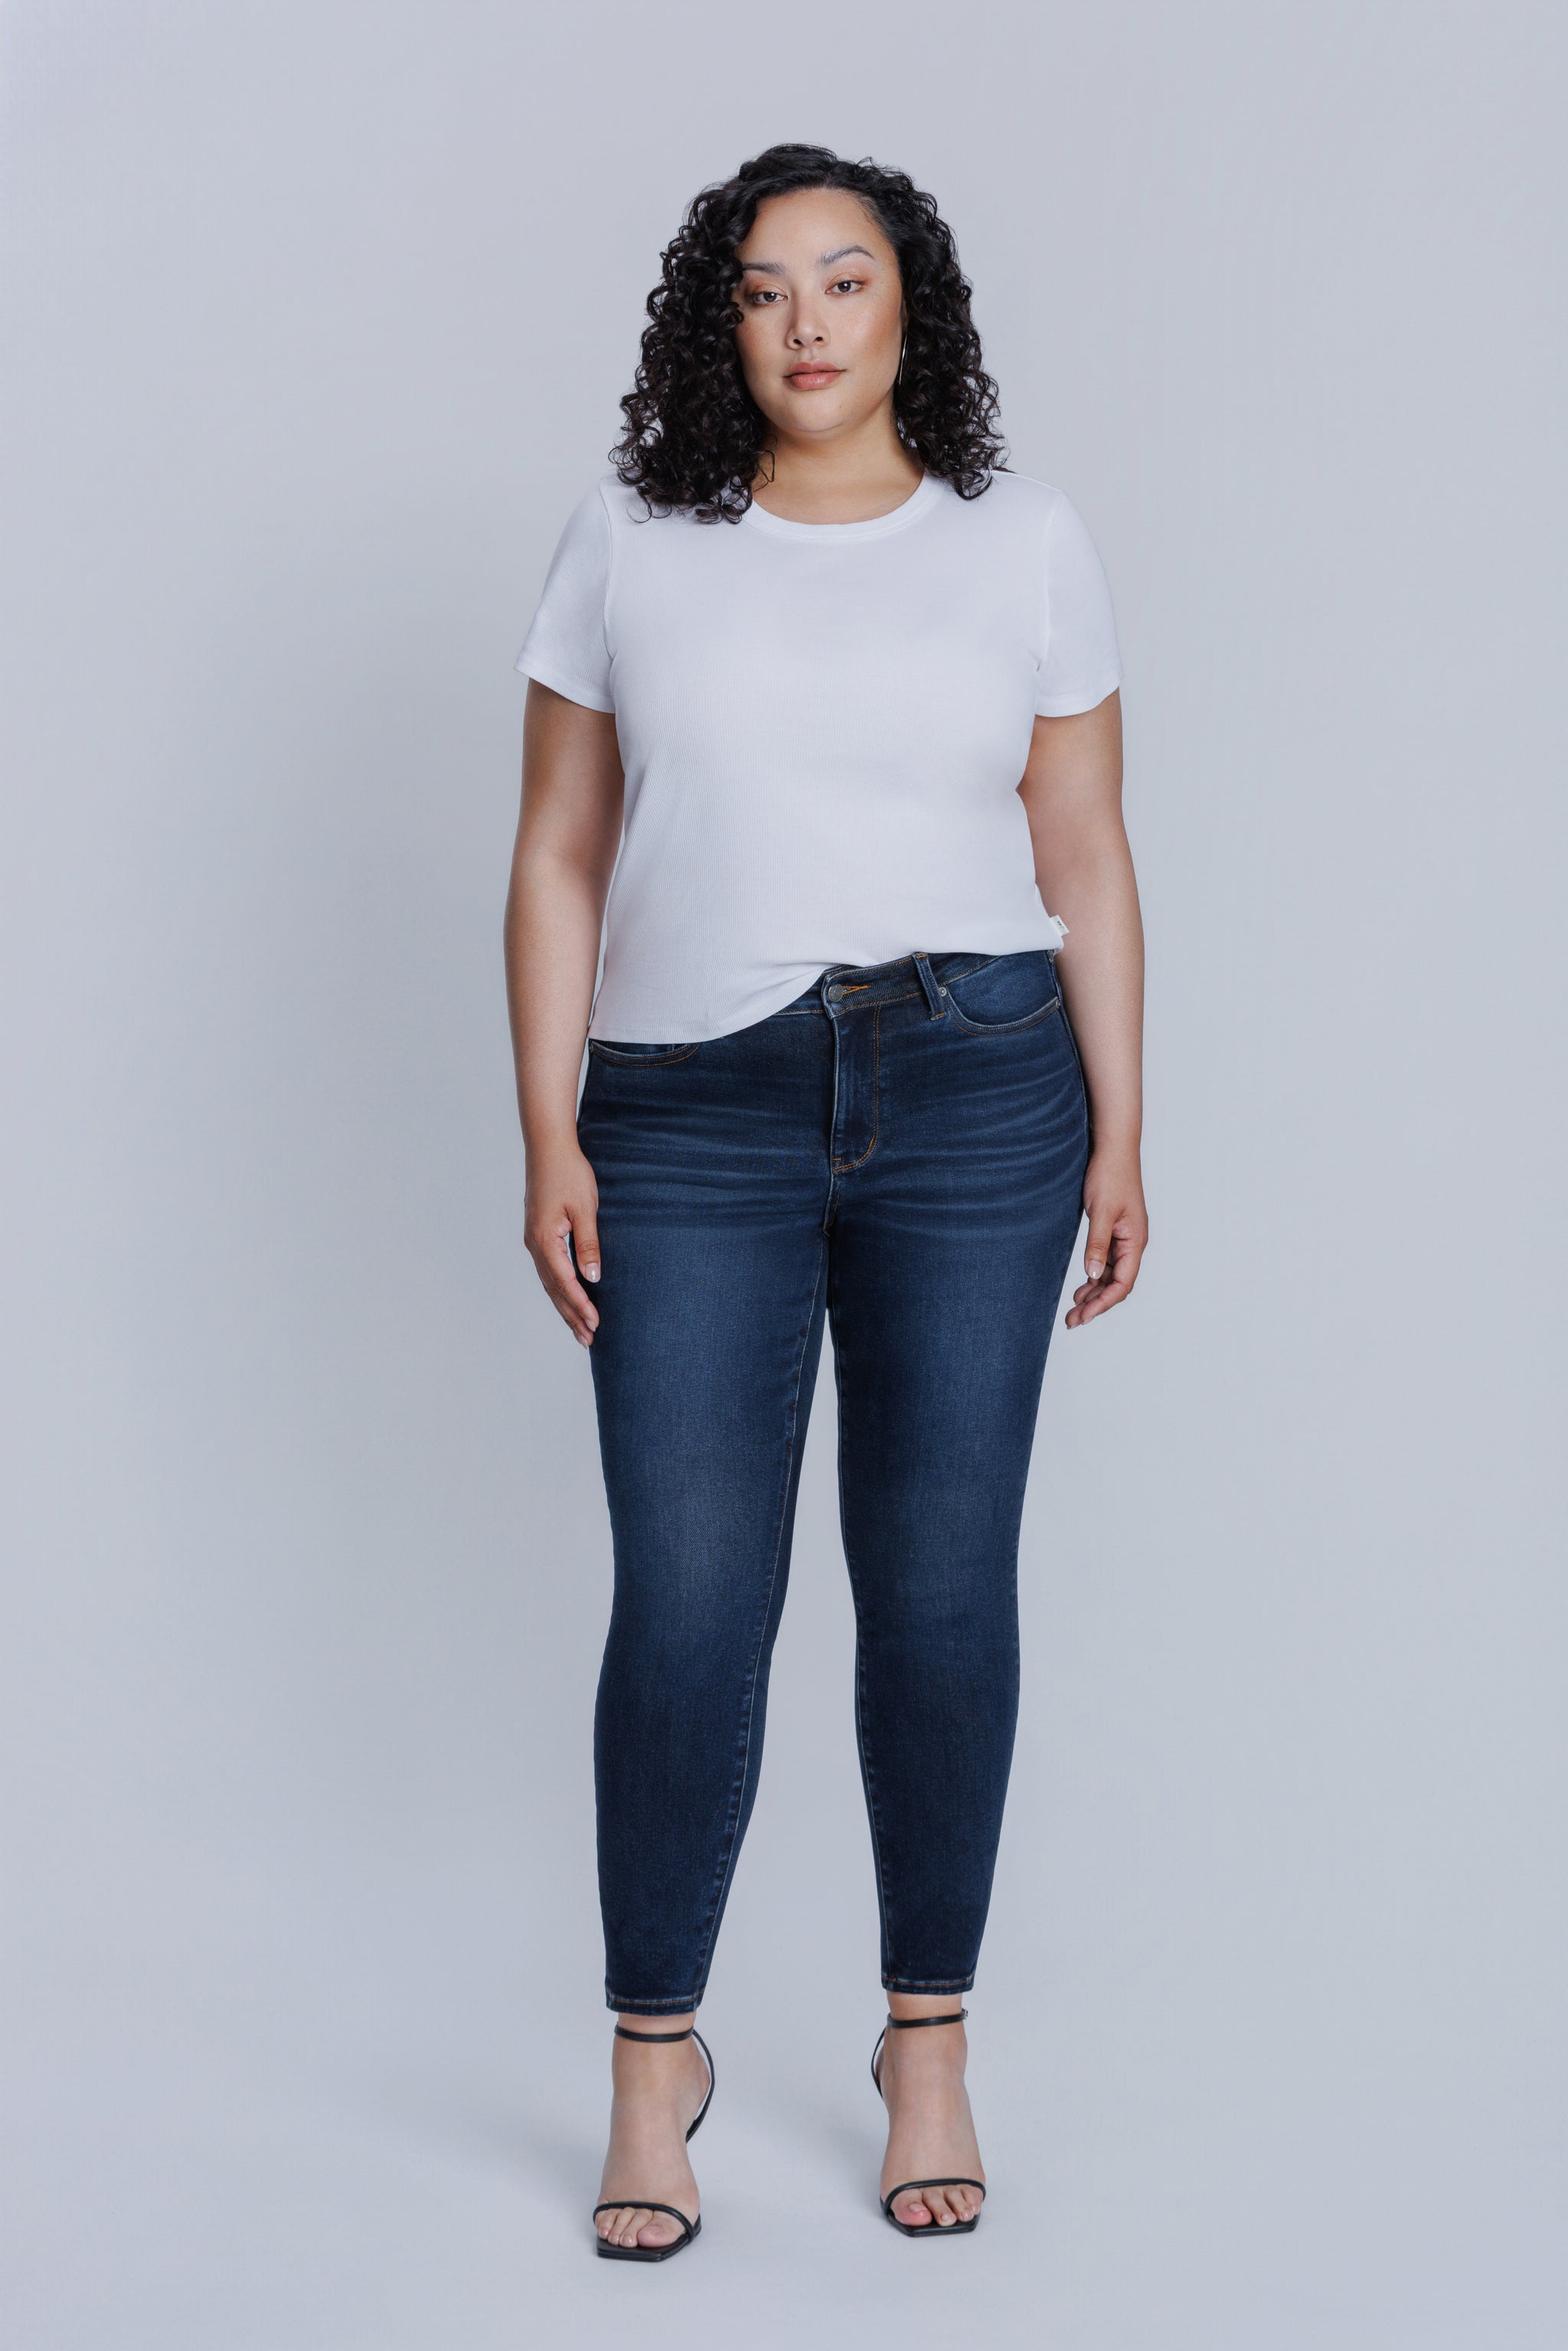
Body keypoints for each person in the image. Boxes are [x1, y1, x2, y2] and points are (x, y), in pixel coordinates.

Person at [503, 142, 1146, 2261]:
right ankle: (652, 2061)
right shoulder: (632, 542)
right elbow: (561, 853)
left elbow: (1086, 852)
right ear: (726, 320)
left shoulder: (1023, 543)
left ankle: (927, 2041)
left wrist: (1126, 1129)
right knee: (692, 1600)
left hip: (979, 1095)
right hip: (690, 1114)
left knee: (941, 1589)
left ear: (909, 312)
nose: (805, 322)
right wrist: (549, 1127)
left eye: (844, 281)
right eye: (766, 288)